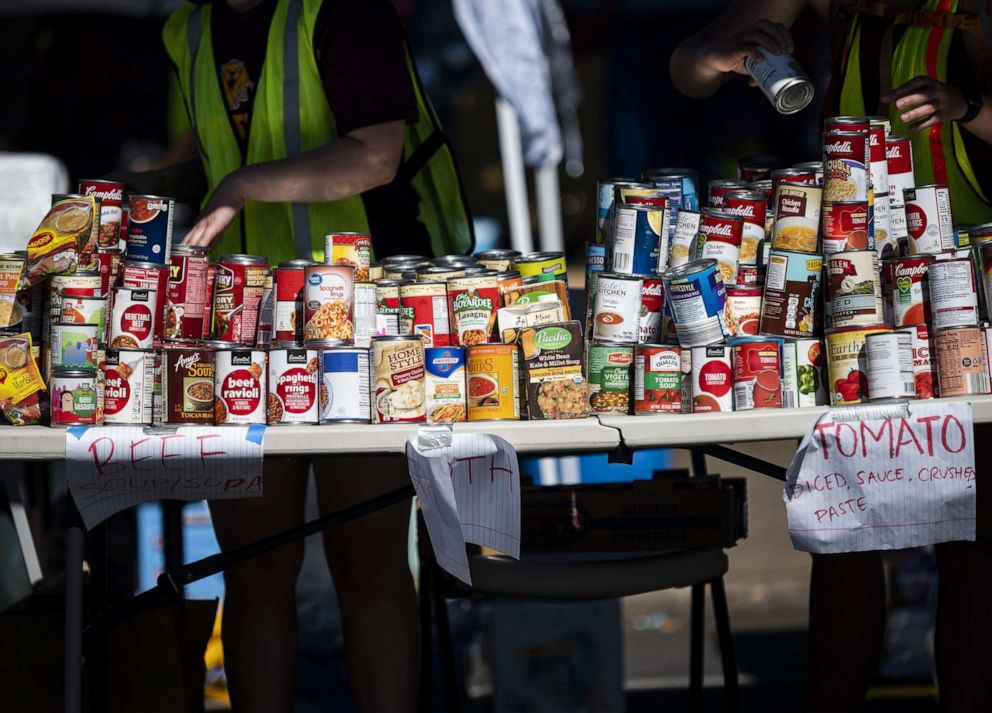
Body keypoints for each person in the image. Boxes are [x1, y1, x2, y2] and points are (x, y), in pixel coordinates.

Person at [117, 1, 474, 711]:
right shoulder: (189, 28)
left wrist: (239, 186)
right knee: (254, 569)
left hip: (365, 319)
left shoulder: (341, 12)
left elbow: (376, 155)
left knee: (366, 561)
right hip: (242, 325)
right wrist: (141, 196)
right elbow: (224, 156)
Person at [671, 2, 992, 712]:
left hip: (973, 274)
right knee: (846, 524)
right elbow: (688, 68)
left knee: (972, 534)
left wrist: (965, 105)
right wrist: (720, 59)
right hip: (853, 277)